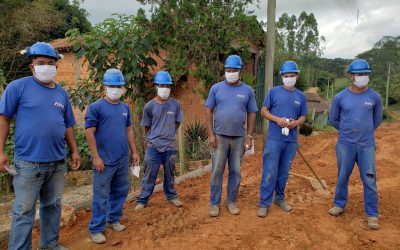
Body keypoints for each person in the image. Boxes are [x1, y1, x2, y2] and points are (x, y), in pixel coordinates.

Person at [0, 42, 81, 250]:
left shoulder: (61, 93)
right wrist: (0, 151)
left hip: (57, 162)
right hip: (28, 163)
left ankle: (49, 245)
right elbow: (4, 119)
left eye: (50, 63)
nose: (46, 66)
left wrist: (74, 151)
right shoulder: (18, 87)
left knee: (52, 206)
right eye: (41, 62)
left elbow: (68, 125)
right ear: (32, 66)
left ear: (56, 66)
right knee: (24, 210)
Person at [85, 68, 140, 243]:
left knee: (121, 190)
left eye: (119, 86)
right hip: (104, 160)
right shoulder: (96, 107)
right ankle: (96, 229)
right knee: (101, 195)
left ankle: (113, 219)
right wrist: (96, 157)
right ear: (105, 86)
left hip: (122, 158)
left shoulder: (125, 107)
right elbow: (89, 132)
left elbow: (129, 130)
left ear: (123, 87)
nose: (115, 89)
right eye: (112, 85)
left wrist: (134, 151)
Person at [328, 59, 383, 230]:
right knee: (343, 176)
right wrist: (347, 131)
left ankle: (372, 214)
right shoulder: (340, 97)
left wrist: (364, 132)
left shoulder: (375, 97)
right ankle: (339, 204)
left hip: (366, 145)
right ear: (351, 76)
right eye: (359, 74)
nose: (362, 77)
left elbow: (376, 120)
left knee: (369, 179)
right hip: (345, 144)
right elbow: (334, 120)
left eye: (365, 74)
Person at [205, 55, 258, 217]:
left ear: (239, 71)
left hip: (239, 138)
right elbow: (208, 110)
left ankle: (231, 202)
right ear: (224, 71)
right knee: (216, 171)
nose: (231, 72)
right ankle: (214, 204)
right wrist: (210, 134)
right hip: (219, 137)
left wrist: (249, 135)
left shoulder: (247, 91)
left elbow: (252, 113)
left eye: (234, 70)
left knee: (235, 171)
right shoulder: (216, 88)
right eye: (228, 70)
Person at [257, 61, 307, 218]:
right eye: (286, 76)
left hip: (290, 140)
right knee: (270, 171)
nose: (289, 78)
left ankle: (279, 198)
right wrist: (277, 119)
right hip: (274, 139)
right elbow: (264, 111)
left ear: (296, 76)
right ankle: (264, 203)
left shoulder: (300, 96)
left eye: (292, 75)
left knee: (283, 172)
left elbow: (303, 117)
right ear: (282, 76)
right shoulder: (273, 92)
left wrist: (296, 123)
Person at [135, 71, 183, 210]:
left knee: (170, 173)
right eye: (162, 85)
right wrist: (154, 138)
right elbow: (146, 127)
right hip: (153, 146)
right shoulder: (149, 106)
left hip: (170, 146)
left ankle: (172, 196)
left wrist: (169, 134)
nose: (165, 89)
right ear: (156, 86)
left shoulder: (175, 105)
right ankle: (142, 200)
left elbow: (177, 123)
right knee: (149, 174)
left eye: (167, 86)